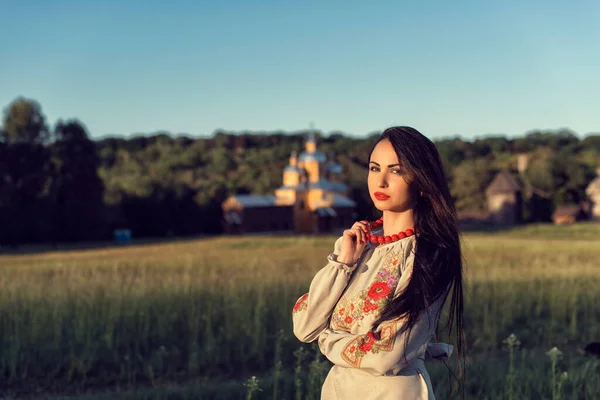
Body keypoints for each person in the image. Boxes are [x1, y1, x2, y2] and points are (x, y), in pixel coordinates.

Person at [292, 126, 466, 399]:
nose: (380, 181)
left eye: (396, 171)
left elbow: (387, 355)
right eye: (374, 168)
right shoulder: (356, 244)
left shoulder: (430, 253)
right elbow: (304, 326)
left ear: (422, 182)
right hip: (338, 390)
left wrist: (327, 341)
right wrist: (343, 263)